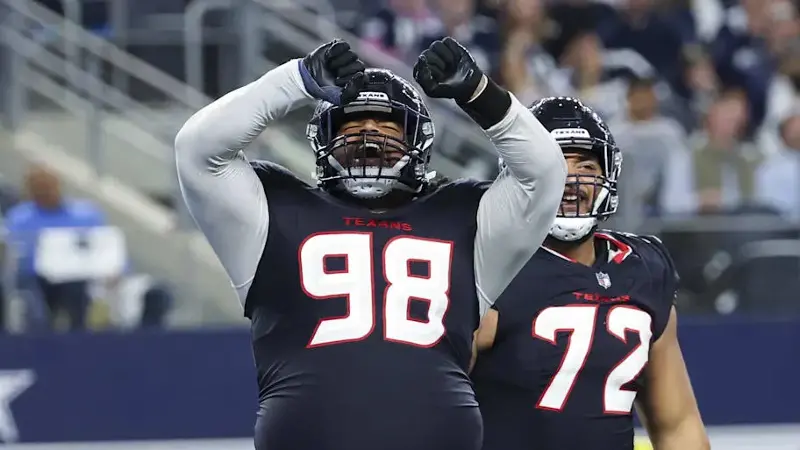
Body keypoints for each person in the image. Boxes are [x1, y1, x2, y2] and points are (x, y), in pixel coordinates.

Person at [174, 37, 566, 450]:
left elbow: (544, 172)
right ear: (323, 137)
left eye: (387, 123)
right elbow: (196, 149)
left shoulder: (465, 216)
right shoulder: (273, 211)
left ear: (418, 140)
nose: (369, 133)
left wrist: (478, 93)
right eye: (352, 122)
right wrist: (295, 79)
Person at [471, 97, 709, 450]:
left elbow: (677, 424)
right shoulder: (489, 267)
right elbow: (431, 408)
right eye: (555, 166)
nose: (571, 181)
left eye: (586, 165)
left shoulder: (642, 268)